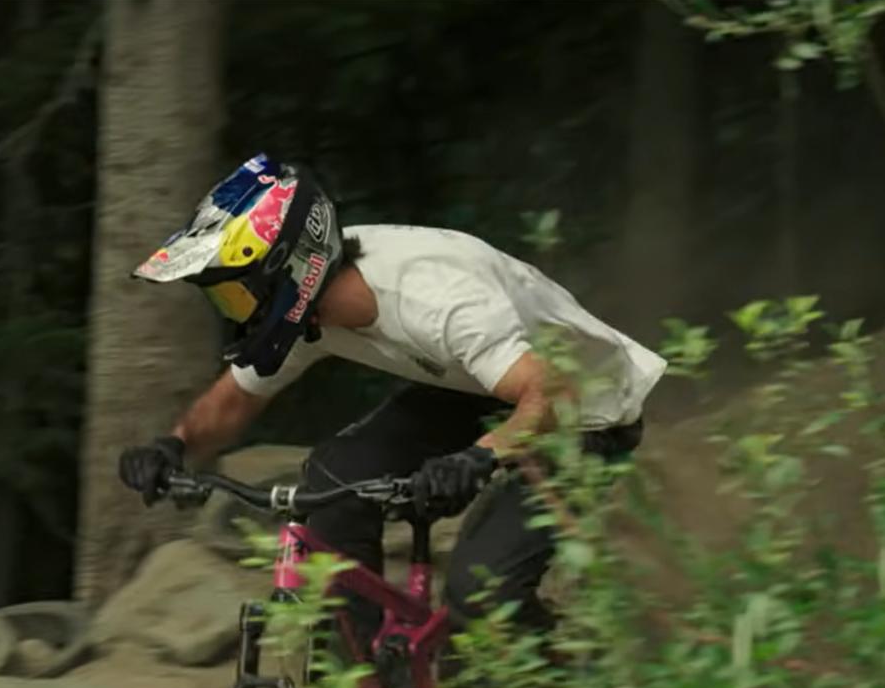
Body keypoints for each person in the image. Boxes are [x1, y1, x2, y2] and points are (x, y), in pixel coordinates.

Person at [117, 152, 666, 646]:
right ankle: (368, 676)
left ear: (289, 271)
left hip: (584, 411)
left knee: (479, 595)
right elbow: (235, 399)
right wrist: (174, 446)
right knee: (333, 479)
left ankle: (569, 680)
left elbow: (552, 394)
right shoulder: (314, 309)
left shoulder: (441, 300)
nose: (234, 311)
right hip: (474, 387)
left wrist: (480, 456)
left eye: (236, 293)